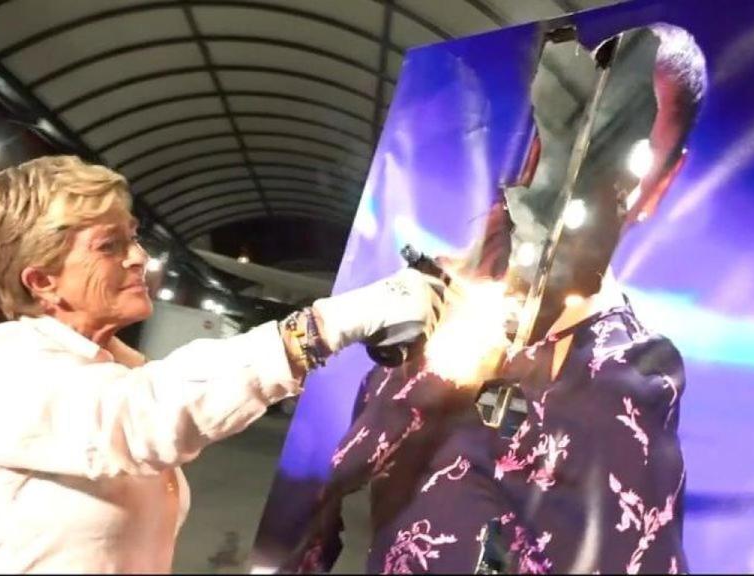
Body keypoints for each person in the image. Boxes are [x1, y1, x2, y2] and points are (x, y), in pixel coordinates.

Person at [282, 23, 706, 574]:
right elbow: (319, 512)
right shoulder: (430, 303)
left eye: (627, 152)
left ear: (661, 184)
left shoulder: (630, 378)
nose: (579, 170)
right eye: (571, 123)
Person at [0, 155, 448, 573]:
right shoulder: (2, 365)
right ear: (42, 281)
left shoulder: (119, 369)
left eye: (132, 236)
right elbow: (142, 418)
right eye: (109, 245)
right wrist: (321, 328)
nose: (139, 256)